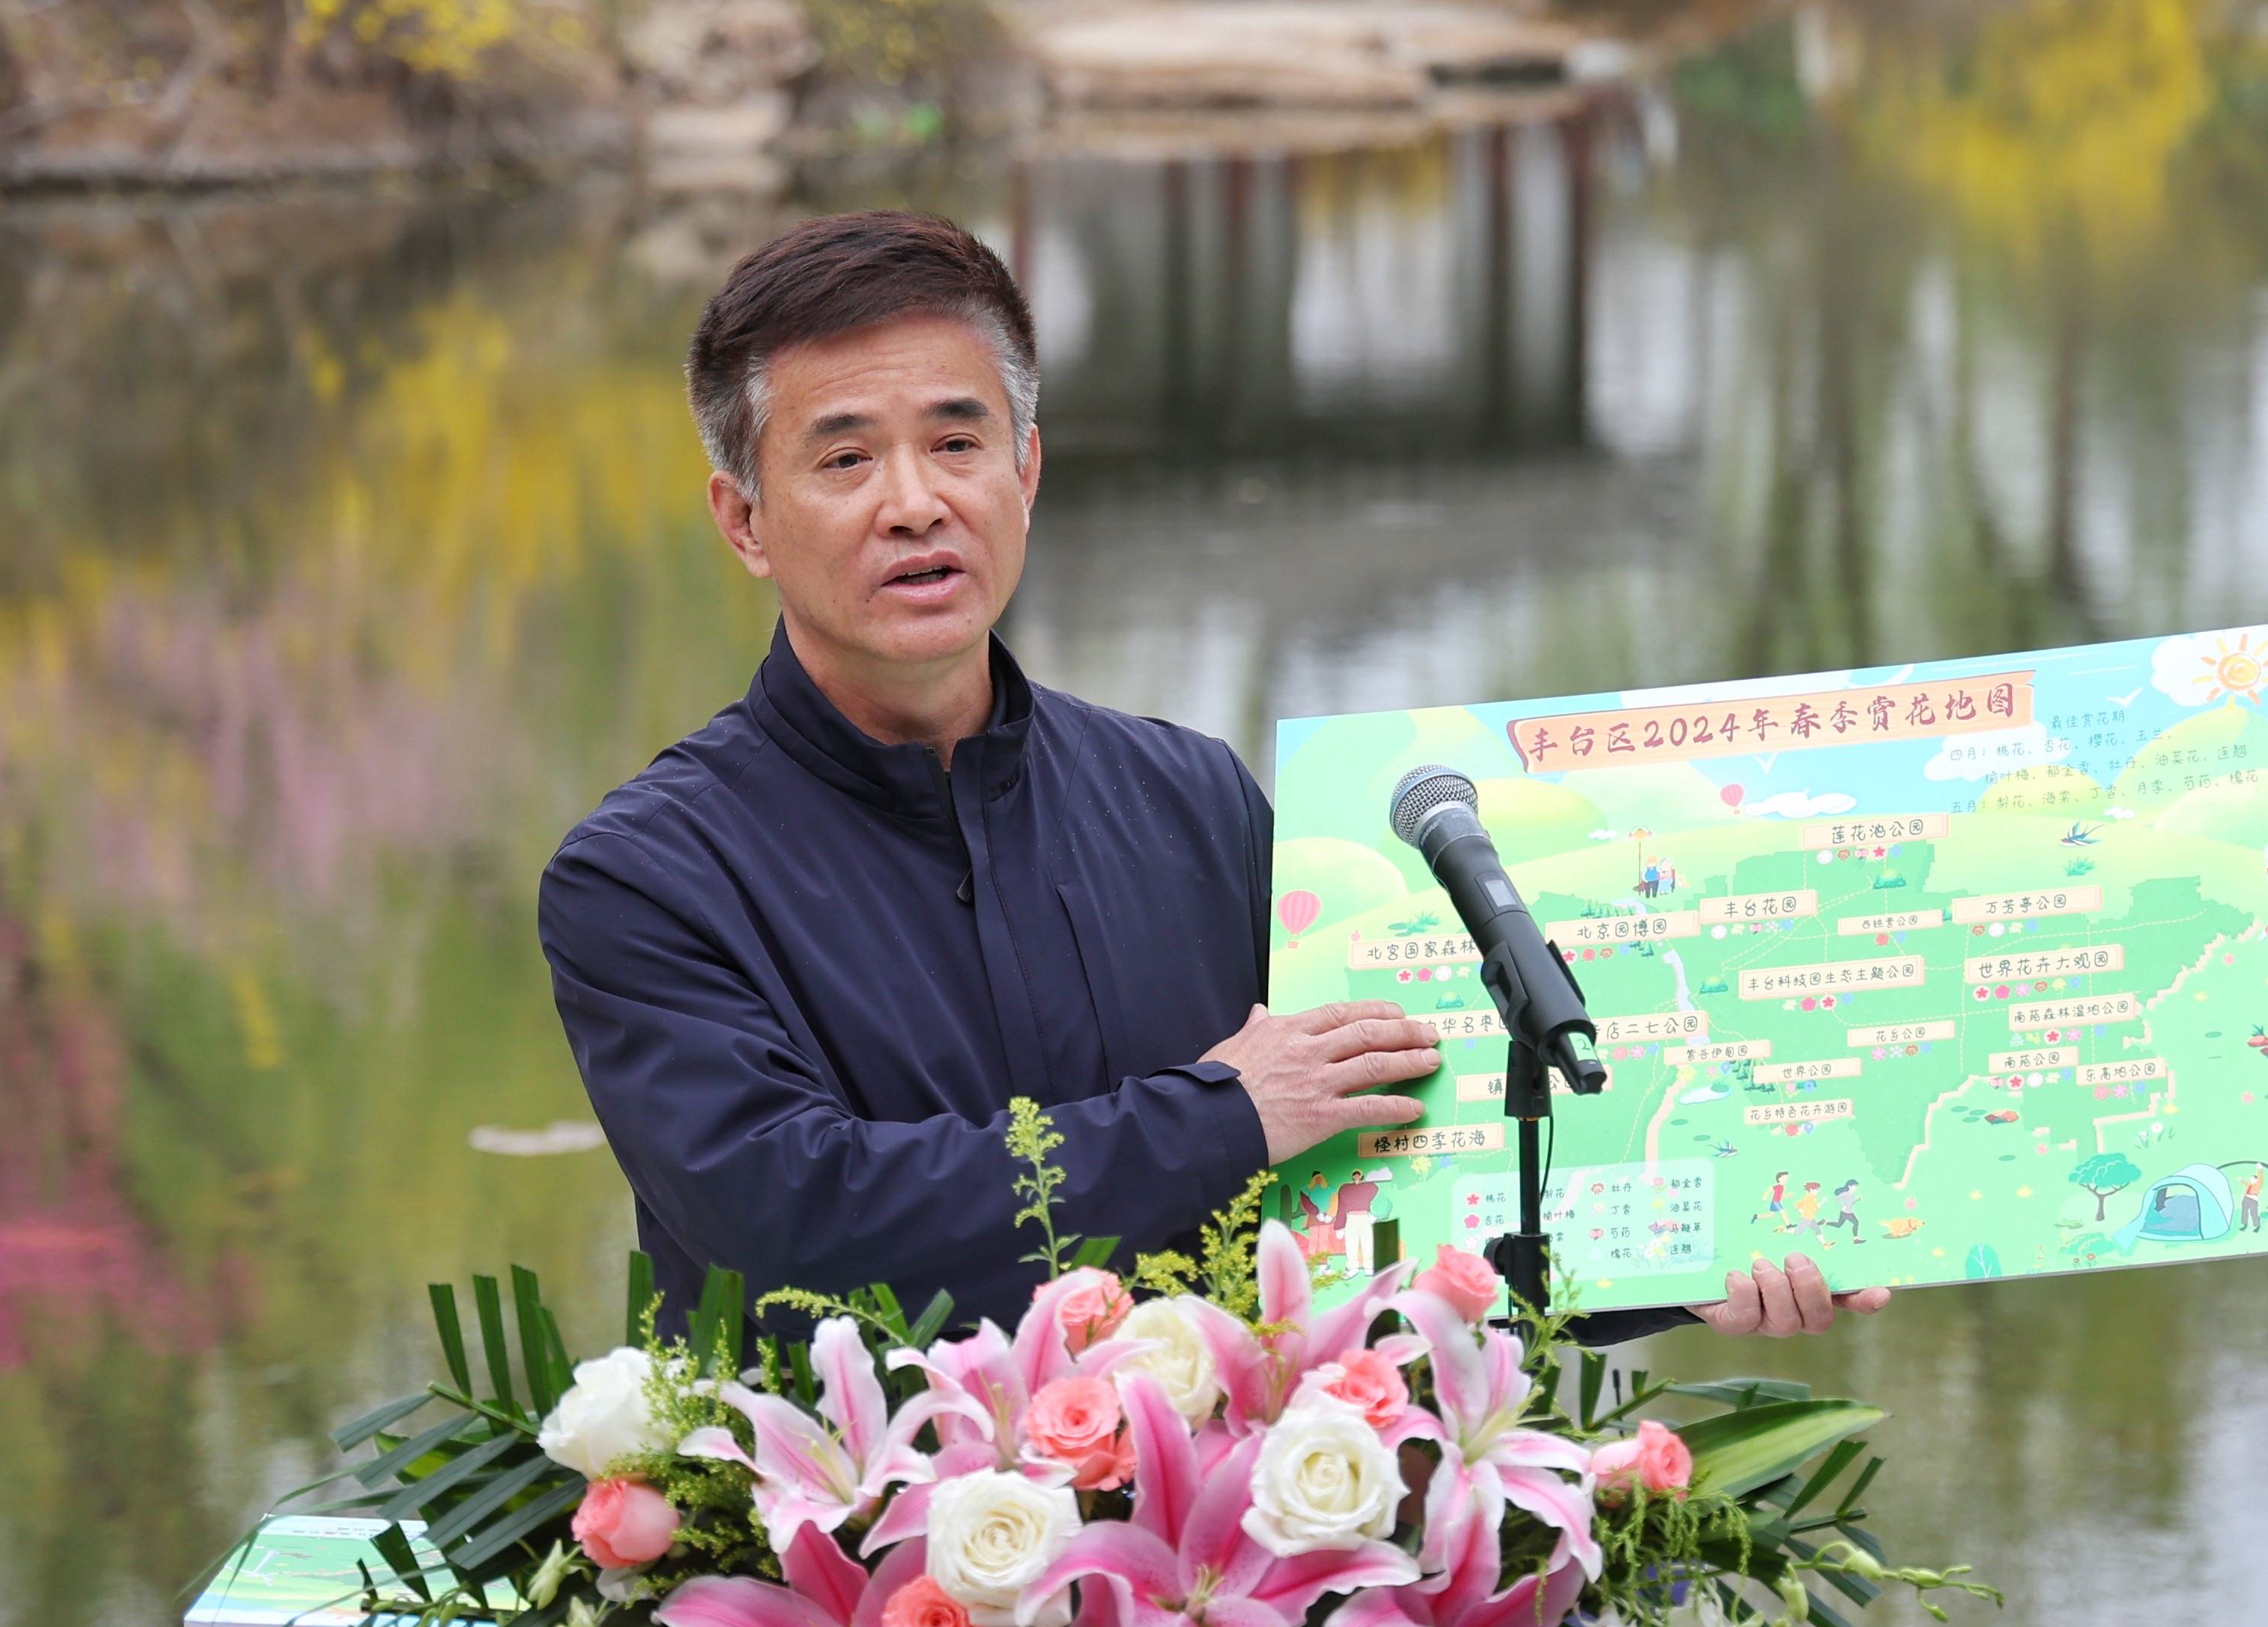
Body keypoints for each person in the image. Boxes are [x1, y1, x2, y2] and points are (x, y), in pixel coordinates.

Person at [538, 209, 1891, 1342]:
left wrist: (1672, 1270)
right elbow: (793, 1221)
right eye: (845, 458)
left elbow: (1395, 1190)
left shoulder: (1189, 798)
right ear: (745, 521)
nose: (914, 502)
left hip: (1242, 1541)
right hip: (859, 1549)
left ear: (1026, 469)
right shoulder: (648, 880)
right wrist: (1219, 1117)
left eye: (957, 443)